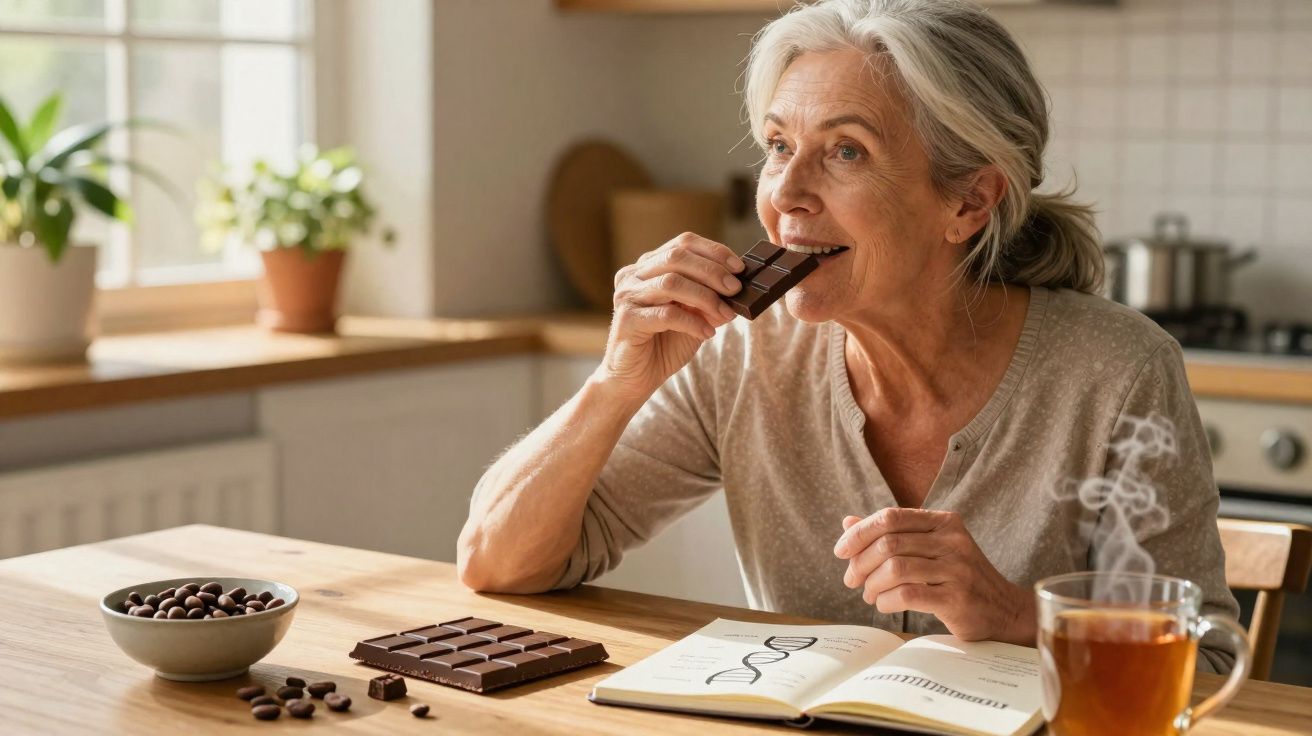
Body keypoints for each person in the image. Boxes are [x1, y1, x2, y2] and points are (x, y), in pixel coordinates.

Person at [457, 0, 1238, 672]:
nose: (786, 196)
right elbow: (496, 563)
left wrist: (1011, 615)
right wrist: (616, 382)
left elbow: (1206, 666)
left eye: (846, 151)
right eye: (777, 147)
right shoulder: (744, 353)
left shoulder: (1116, 369)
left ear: (969, 202)